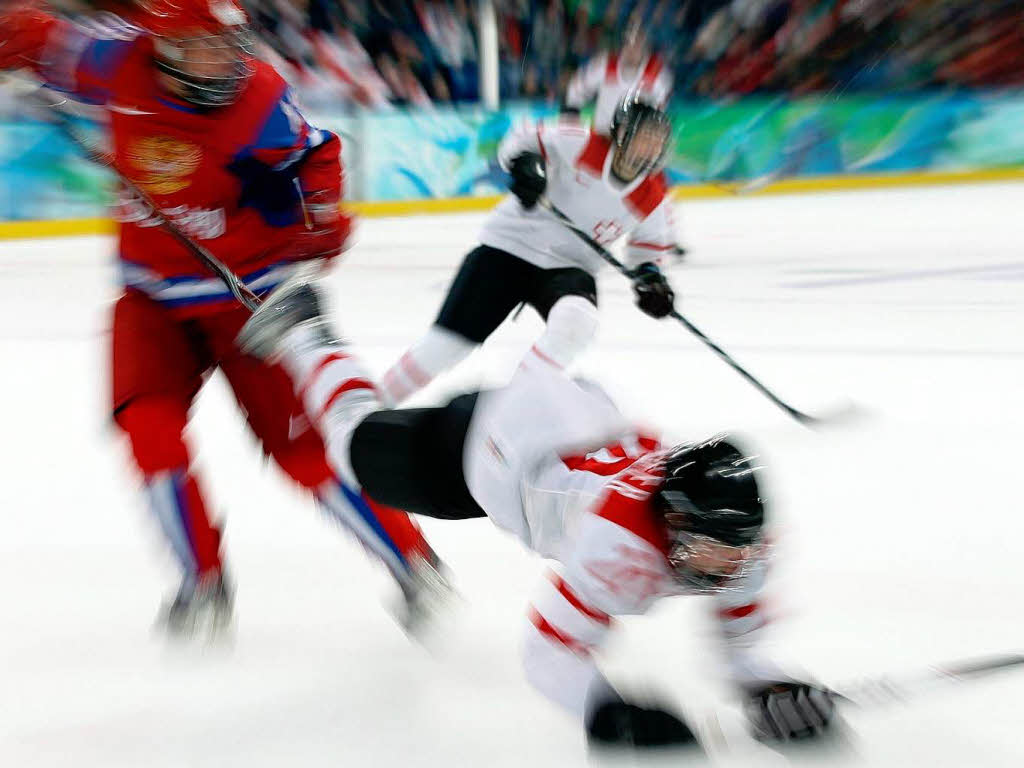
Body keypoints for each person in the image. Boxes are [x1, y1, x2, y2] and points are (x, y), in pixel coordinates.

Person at [234, 274, 840, 747]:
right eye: (717, 544)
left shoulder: (742, 544)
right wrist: (608, 712)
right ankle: (307, 332)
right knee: (348, 443)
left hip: (560, 428)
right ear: (674, 520)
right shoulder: (617, 540)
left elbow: (743, 652)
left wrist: (771, 687)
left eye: (740, 546)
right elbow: (548, 652)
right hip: (480, 450)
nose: (731, 563)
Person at [0, 0, 445, 637]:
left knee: (302, 452)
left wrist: (321, 222)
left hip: (249, 301)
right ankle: (200, 583)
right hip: (151, 299)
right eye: (200, 44)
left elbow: (318, 155)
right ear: (162, 50)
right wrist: (15, 34)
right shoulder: (114, 62)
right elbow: (43, 41)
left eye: (226, 41)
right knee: (148, 432)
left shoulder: (261, 98)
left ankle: (410, 558)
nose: (222, 59)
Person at [379, 91, 680, 405]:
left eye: (658, 140)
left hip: (569, 268)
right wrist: (525, 163)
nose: (652, 147)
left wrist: (651, 278)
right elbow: (520, 138)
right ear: (620, 132)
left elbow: (647, 250)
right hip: (508, 248)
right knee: (443, 348)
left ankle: (514, 408)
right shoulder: (579, 141)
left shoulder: (654, 192)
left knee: (578, 320)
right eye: (645, 136)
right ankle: (367, 411)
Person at [564, 17, 673, 135]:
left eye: (637, 44)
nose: (632, 50)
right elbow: (576, 89)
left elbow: (661, 110)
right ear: (622, 45)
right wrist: (572, 116)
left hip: (633, 143)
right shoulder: (604, 65)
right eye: (628, 44)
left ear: (644, 46)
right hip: (602, 136)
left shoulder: (657, 75)